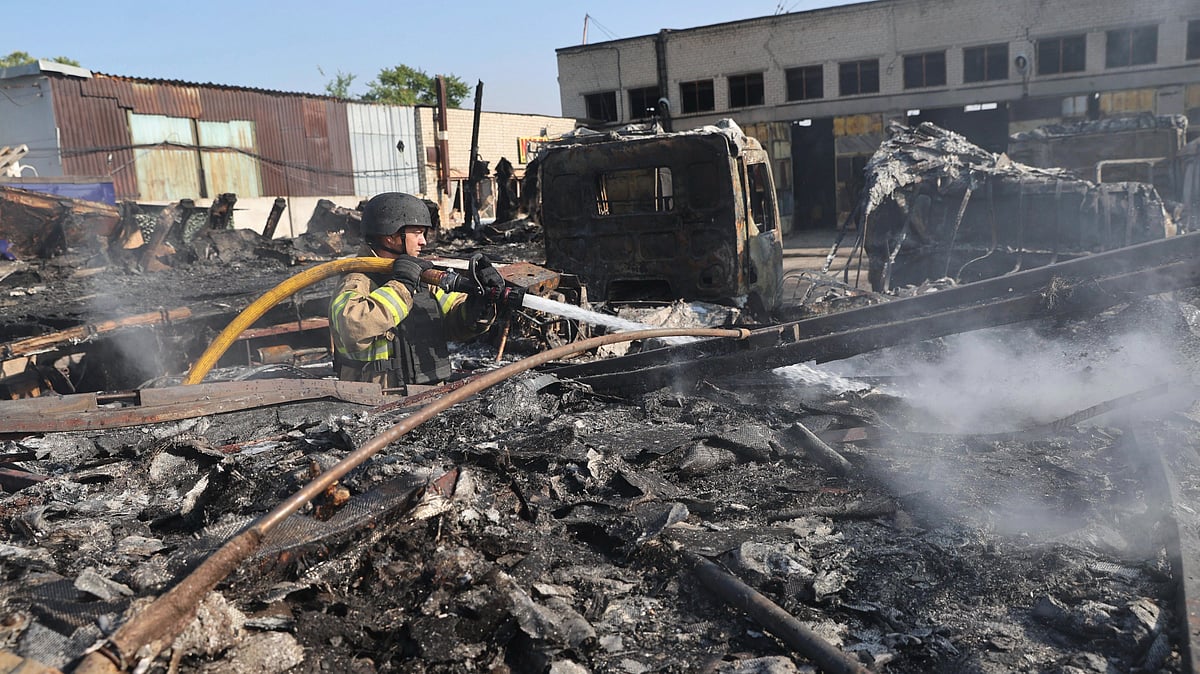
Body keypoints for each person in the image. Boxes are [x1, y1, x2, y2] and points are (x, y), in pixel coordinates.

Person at [329, 192, 504, 390]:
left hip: (427, 397)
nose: (424, 242)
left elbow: (455, 320)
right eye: (418, 233)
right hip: (378, 403)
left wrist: (480, 306)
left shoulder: (422, 279)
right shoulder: (356, 281)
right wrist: (402, 286)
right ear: (391, 237)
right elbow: (352, 329)